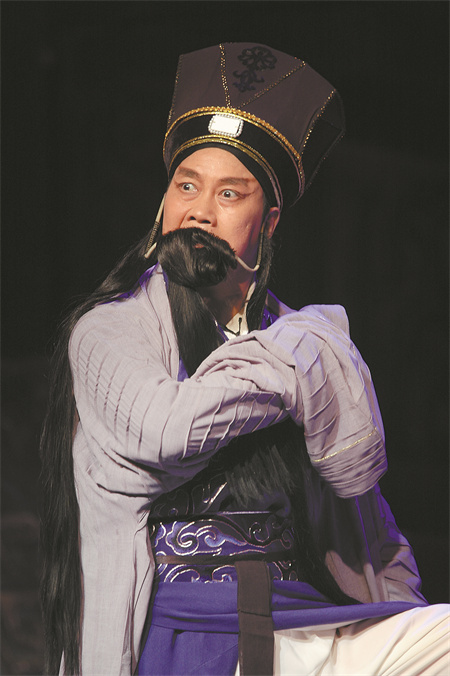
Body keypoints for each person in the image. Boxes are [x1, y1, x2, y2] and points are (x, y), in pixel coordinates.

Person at [40, 43, 449, 676]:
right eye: (186, 186)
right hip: (189, 636)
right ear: (164, 203)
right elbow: (164, 430)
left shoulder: (297, 339)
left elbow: (361, 490)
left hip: (306, 622)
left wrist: (401, 611)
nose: (199, 210)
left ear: (269, 220)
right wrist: (299, 357)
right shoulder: (108, 329)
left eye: (229, 193)